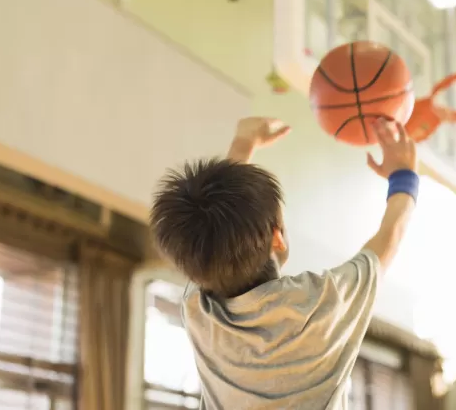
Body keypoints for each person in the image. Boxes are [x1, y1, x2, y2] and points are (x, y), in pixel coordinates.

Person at [149, 116, 419, 409]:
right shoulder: (320, 304)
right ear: (277, 238)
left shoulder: (198, 311)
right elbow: (390, 237)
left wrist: (242, 146)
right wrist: (404, 174)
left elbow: (208, 238)